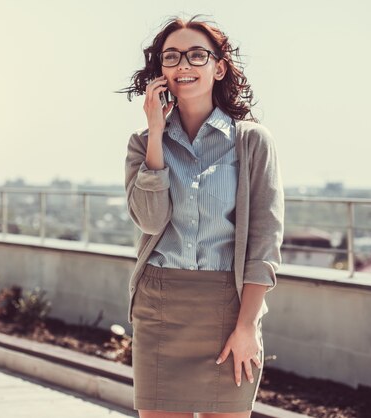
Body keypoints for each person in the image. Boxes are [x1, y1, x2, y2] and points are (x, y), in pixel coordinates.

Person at [117, 14, 285, 418]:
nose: (184, 66)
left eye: (197, 55)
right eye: (171, 57)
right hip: (160, 304)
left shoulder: (251, 141)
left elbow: (265, 239)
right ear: (159, 71)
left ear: (219, 66)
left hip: (228, 305)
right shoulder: (142, 143)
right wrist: (156, 132)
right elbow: (150, 221)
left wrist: (246, 326)